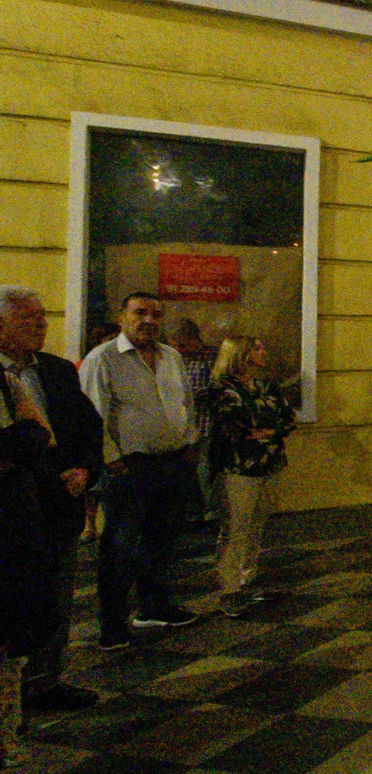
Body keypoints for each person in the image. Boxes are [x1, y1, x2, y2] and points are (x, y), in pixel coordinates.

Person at [0, 287, 102, 713]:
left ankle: (45, 682)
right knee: (15, 599)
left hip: (60, 504)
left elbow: (88, 427)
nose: (42, 325)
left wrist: (85, 469)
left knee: (56, 597)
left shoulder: (59, 371)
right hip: (12, 510)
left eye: (43, 317)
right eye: (29, 319)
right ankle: (10, 689)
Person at [79, 292, 200, 650]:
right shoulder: (102, 359)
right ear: (122, 317)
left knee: (162, 541)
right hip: (129, 468)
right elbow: (91, 416)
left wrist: (189, 441)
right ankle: (112, 624)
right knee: (120, 547)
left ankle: (154, 607)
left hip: (172, 462)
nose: (148, 320)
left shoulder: (171, 356)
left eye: (156, 314)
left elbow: (185, 403)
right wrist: (111, 460)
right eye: (139, 312)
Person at [208, 337, 296, 619]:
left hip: (269, 464)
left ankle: (247, 578)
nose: (264, 351)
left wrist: (271, 431)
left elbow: (288, 418)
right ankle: (229, 588)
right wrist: (267, 428)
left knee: (257, 523)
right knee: (235, 527)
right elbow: (235, 424)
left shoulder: (267, 386)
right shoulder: (223, 388)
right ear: (240, 354)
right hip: (238, 467)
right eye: (257, 348)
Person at [0, 370, 56, 770]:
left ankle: (5, 740)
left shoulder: (6, 381)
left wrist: (21, 440)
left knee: (7, 647)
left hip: (10, 528)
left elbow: (42, 436)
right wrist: (19, 439)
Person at [167, 318, 222, 527]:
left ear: (195, 340)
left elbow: (219, 384)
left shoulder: (210, 356)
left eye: (184, 344)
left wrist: (194, 395)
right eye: (175, 344)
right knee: (182, 470)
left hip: (203, 421)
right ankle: (187, 510)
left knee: (204, 468)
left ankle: (210, 511)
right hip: (177, 424)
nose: (179, 349)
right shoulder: (169, 357)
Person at [79, 323, 120, 545]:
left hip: (120, 449)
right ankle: (89, 524)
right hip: (100, 444)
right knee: (94, 489)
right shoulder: (93, 361)